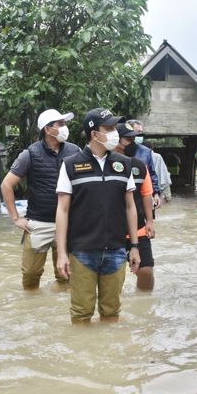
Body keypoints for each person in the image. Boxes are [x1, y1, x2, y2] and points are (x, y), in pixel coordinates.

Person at [55, 108, 141, 323]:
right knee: (81, 313)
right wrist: (62, 253)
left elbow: (130, 207)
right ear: (94, 134)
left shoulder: (124, 165)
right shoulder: (71, 165)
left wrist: (135, 247)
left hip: (116, 250)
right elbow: (62, 210)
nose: (115, 133)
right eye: (109, 128)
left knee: (112, 312)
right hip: (82, 251)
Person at [0, 109, 80, 291]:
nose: (64, 128)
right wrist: (16, 218)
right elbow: (6, 185)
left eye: (64, 123)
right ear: (47, 129)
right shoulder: (30, 154)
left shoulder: (75, 151)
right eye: (60, 124)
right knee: (30, 275)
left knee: (66, 276)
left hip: (68, 223)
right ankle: (31, 308)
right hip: (38, 223)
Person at [115, 122, 156, 290]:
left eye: (134, 139)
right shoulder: (102, 166)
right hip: (112, 230)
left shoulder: (139, 166)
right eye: (127, 139)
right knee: (113, 276)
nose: (132, 143)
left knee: (146, 271)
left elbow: (146, 195)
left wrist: (150, 221)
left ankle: (144, 303)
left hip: (139, 228)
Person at [127, 119, 162, 209]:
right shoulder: (118, 149)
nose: (140, 135)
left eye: (141, 132)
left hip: (142, 194)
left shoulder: (146, 152)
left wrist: (156, 193)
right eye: (137, 132)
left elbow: (152, 173)